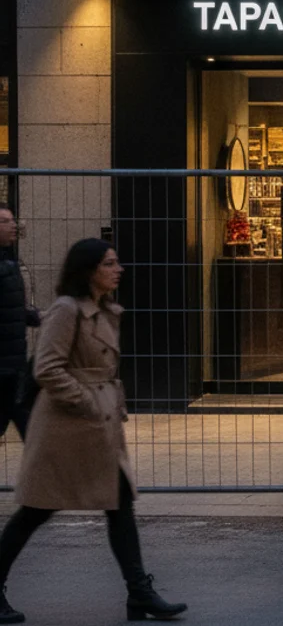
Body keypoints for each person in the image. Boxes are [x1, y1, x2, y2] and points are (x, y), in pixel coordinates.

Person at [0, 239, 186, 623]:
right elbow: (47, 369)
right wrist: (87, 401)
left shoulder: (104, 311)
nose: (118, 269)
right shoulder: (67, 311)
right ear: (88, 270)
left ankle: (140, 592)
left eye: (117, 262)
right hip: (65, 429)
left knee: (119, 504)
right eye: (109, 263)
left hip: (97, 427)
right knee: (36, 511)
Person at [0, 206, 39, 441]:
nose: (13, 225)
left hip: (14, 363)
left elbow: (10, 309)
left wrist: (37, 317)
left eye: (12, 220)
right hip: (4, 366)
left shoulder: (10, 261)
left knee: (26, 420)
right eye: (5, 221)